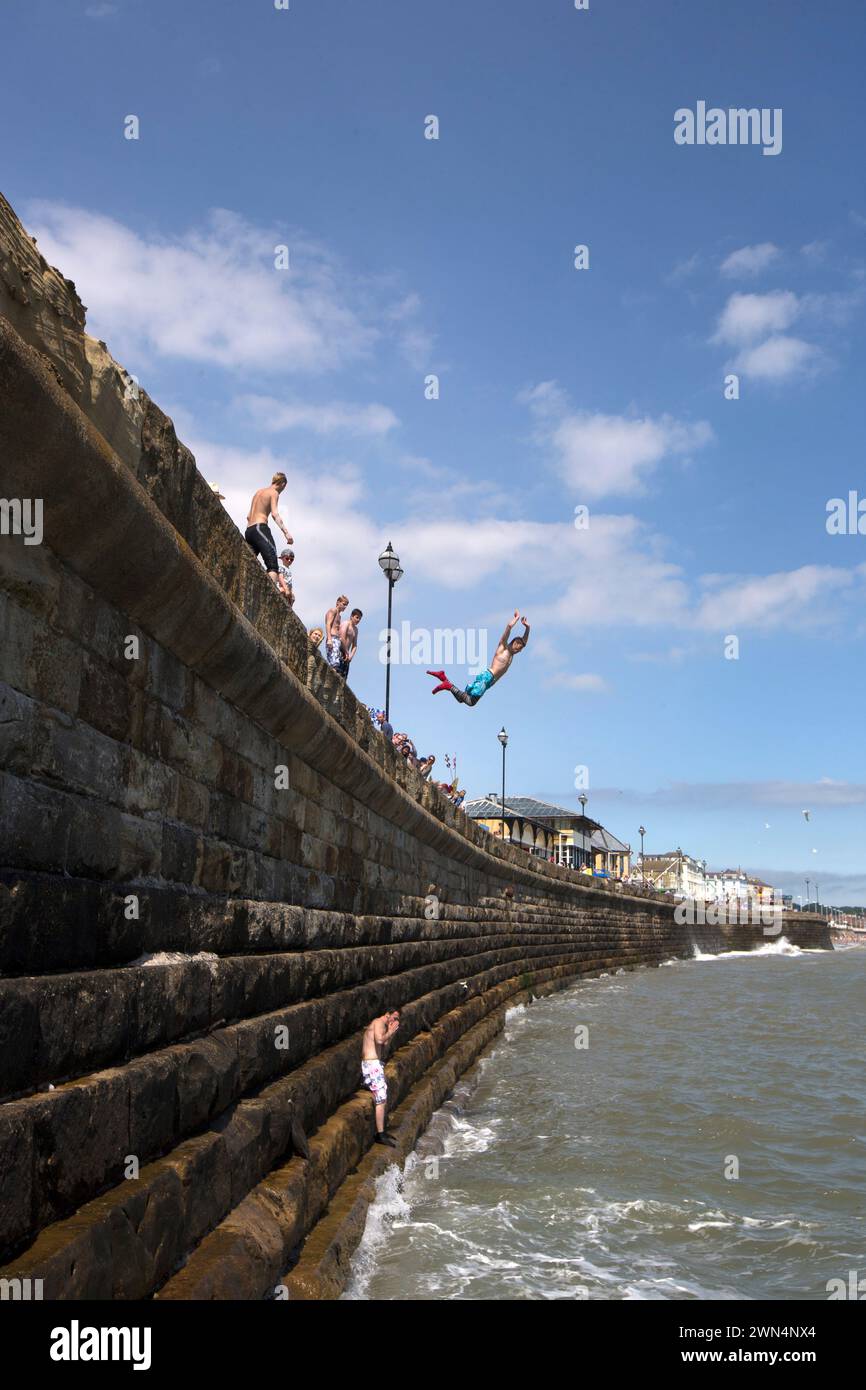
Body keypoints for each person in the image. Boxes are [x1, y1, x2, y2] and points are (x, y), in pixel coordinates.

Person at [428, 611, 530, 706]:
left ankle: (444, 678)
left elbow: (524, 641)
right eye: (519, 648)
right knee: (471, 702)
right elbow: (508, 627)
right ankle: (448, 685)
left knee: (461, 699)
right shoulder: (503, 648)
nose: (519, 651)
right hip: (487, 677)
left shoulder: (512, 654)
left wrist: (527, 627)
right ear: (514, 643)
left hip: (489, 681)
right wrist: (516, 618)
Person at [244, 473, 293, 588]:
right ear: (282, 484)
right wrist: (286, 533)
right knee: (273, 565)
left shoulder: (258, 492)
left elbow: (248, 516)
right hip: (260, 528)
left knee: (248, 560)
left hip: (249, 530)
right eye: (283, 488)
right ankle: (271, 598)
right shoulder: (274, 493)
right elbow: (275, 514)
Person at [361, 1010, 401, 1145]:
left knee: (383, 1093)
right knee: (381, 1097)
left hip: (375, 1064)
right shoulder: (378, 1022)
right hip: (371, 1064)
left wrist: (391, 1032)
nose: (394, 1021)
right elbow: (379, 1039)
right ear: (387, 1013)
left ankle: (382, 1131)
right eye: (394, 1018)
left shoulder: (382, 1025)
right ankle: (380, 1134)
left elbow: (384, 1045)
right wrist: (389, 1032)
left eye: (397, 1020)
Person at [324, 596, 349, 673]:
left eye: (346, 605)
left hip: (337, 640)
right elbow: (328, 624)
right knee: (334, 663)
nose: (345, 607)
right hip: (332, 638)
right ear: (338, 602)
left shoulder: (339, 615)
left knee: (336, 662)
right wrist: (329, 639)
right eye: (344, 604)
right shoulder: (333, 610)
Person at [340, 608, 363, 679]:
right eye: (357, 617)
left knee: (344, 677)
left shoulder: (356, 630)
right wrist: (346, 652)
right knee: (337, 672)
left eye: (359, 618)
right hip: (340, 650)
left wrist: (351, 656)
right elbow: (341, 638)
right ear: (351, 616)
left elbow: (355, 645)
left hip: (346, 655)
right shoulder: (346, 624)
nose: (358, 620)